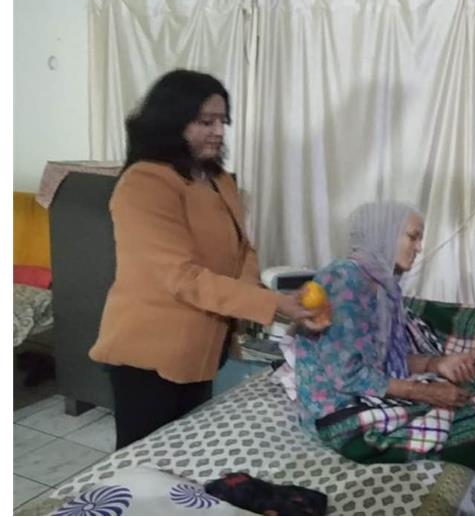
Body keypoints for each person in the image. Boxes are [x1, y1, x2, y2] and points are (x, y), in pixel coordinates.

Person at [89, 69, 320, 450]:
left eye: (222, 121)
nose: (218, 131)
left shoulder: (218, 179)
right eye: (204, 121)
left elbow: (243, 248)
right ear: (171, 121)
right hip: (149, 353)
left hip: (203, 345)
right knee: (143, 461)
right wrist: (273, 304)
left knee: (185, 452)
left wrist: (257, 303)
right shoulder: (144, 184)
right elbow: (182, 277)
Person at [294, 201, 475, 515]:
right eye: (412, 237)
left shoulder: (384, 284)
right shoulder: (344, 280)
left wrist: (437, 365)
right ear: (385, 234)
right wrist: (424, 390)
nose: (419, 247)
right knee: (474, 415)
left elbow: (383, 360)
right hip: (339, 413)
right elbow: (348, 374)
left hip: (367, 395)